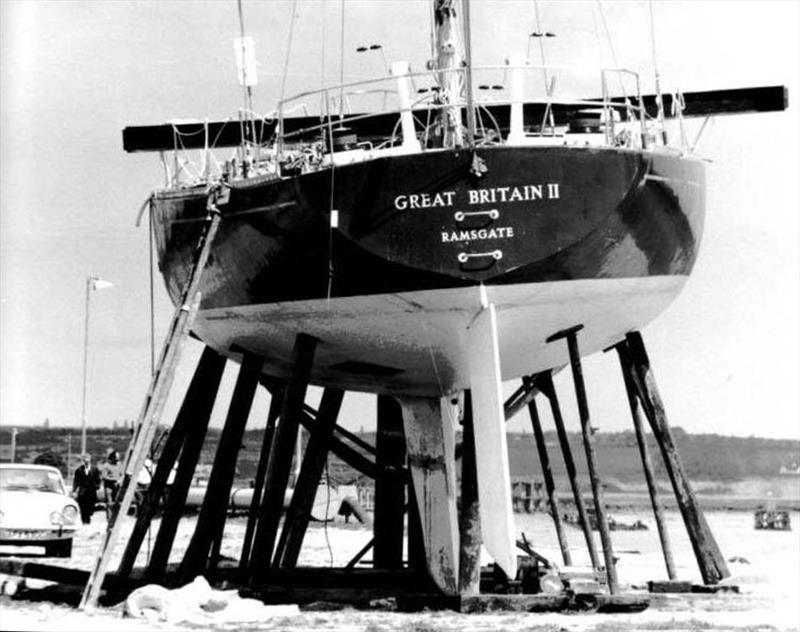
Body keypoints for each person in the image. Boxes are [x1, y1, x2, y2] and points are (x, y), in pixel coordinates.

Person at [72, 453, 101, 524]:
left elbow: (98, 479)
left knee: (90, 506)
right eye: (85, 459)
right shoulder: (79, 470)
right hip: (82, 492)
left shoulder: (95, 469)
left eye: (88, 459)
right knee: (82, 506)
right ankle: (84, 521)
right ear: (83, 460)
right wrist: (74, 490)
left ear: (90, 460)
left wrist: (97, 486)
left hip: (91, 491)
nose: (86, 461)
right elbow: (76, 481)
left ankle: (88, 517)